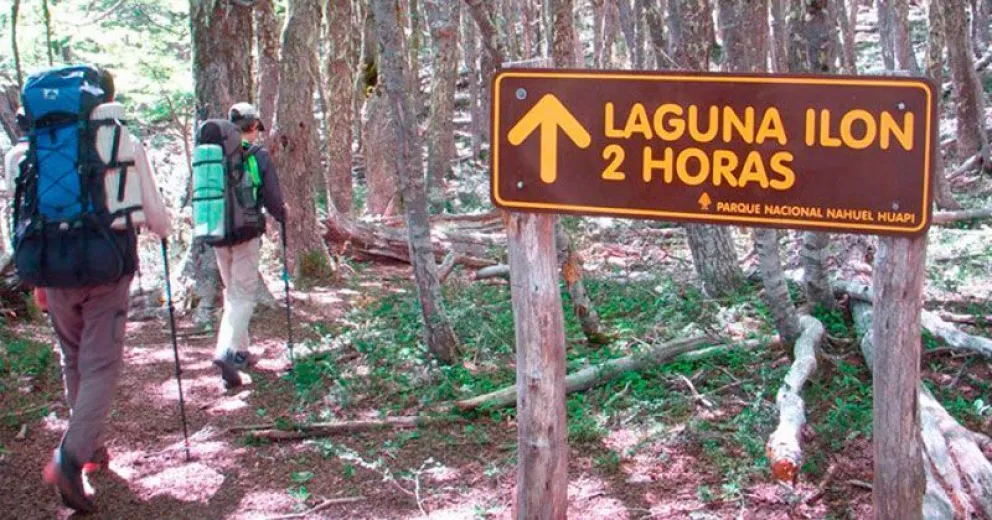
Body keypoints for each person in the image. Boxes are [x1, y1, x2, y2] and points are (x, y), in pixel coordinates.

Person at [5, 67, 172, 513]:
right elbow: (154, 215)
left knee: (72, 357)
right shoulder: (121, 143)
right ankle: (71, 457)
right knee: (101, 365)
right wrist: (164, 228)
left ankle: (91, 447)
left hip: (50, 269)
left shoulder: (23, 153)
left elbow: (17, 220)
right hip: (106, 268)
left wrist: (36, 277)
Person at [211, 102, 286, 388]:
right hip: (246, 233)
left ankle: (241, 352)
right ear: (253, 126)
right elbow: (272, 199)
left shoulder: (212, 155)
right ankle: (226, 352)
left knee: (233, 292)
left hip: (217, 233)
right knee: (243, 295)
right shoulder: (257, 155)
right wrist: (283, 215)